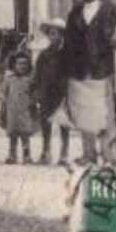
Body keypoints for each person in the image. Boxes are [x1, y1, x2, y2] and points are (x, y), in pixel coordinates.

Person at [62, 0, 116, 165]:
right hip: (78, 71)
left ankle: (108, 155)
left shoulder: (111, 10)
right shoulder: (74, 12)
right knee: (83, 114)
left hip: (102, 70)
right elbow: (68, 41)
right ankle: (88, 154)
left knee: (104, 113)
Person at [31, 17, 71, 165]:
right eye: (52, 34)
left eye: (58, 34)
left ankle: (64, 153)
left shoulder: (68, 54)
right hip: (46, 92)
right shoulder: (44, 55)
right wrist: (36, 90)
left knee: (64, 123)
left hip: (62, 93)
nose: (55, 37)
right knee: (46, 122)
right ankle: (46, 152)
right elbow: (37, 74)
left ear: (63, 36)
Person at [0, 50, 37, 163]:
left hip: (26, 111)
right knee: (13, 135)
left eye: (25, 64)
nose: (22, 66)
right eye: (19, 63)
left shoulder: (30, 80)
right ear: (13, 65)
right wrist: (2, 99)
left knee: (25, 135)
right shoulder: (9, 79)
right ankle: (12, 155)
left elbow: (35, 92)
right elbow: (2, 91)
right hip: (12, 111)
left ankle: (27, 155)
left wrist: (34, 101)